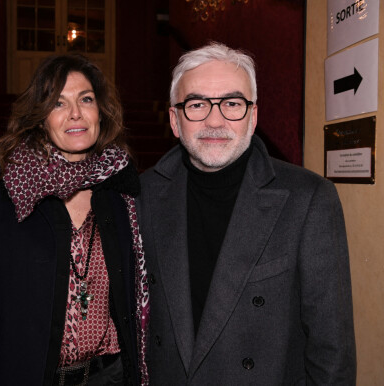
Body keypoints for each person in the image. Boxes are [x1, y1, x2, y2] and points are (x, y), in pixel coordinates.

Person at [137, 42, 356, 384]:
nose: (214, 119)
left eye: (232, 103)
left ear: (253, 117)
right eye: (196, 104)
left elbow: (332, 349)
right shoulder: (143, 194)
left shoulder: (308, 199)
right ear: (175, 120)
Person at [0, 53, 149, 386]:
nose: (75, 113)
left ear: (100, 111)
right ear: (40, 118)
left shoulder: (122, 192)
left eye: (86, 99)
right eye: (58, 103)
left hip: (111, 376)